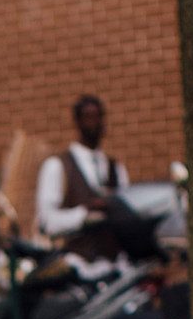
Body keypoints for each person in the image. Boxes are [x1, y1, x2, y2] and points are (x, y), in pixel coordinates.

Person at [35, 95, 130, 265]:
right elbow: (47, 222)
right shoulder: (58, 166)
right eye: (88, 117)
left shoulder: (116, 168)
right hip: (77, 266)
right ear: (77, 122)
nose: (95, 123)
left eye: (99, 117)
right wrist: (84, 213)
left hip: (115, 265)